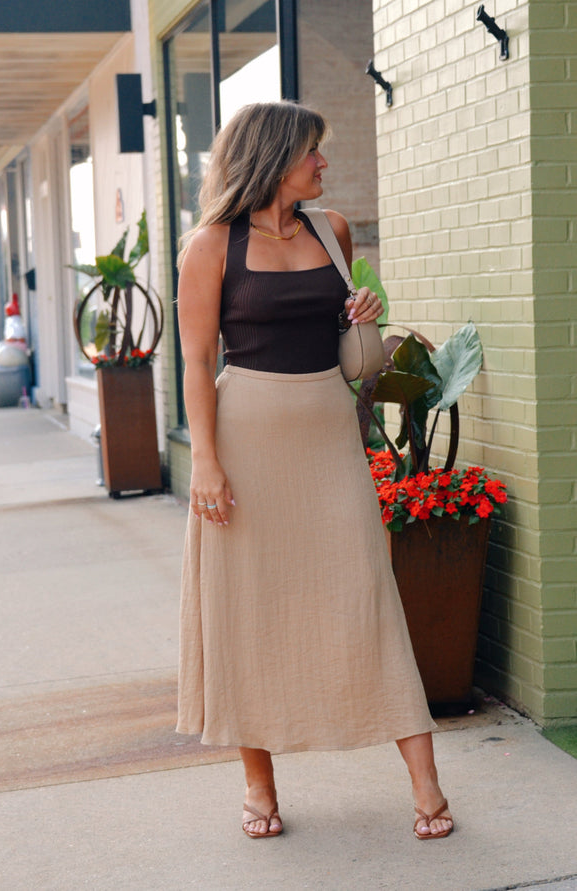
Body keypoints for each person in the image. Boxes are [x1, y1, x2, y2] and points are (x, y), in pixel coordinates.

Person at [176, 101, 453, 841]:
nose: (324, 165)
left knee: (366, 591)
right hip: (246, 440)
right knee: (249, 607)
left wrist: (356, 308)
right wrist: (204, 458)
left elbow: (343, 335)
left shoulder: (330, 232)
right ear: (274, 158)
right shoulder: (209, 246)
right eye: (313, 153)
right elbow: (198, 360)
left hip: (330, 438)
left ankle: (427, 787)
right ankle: (259, 786)